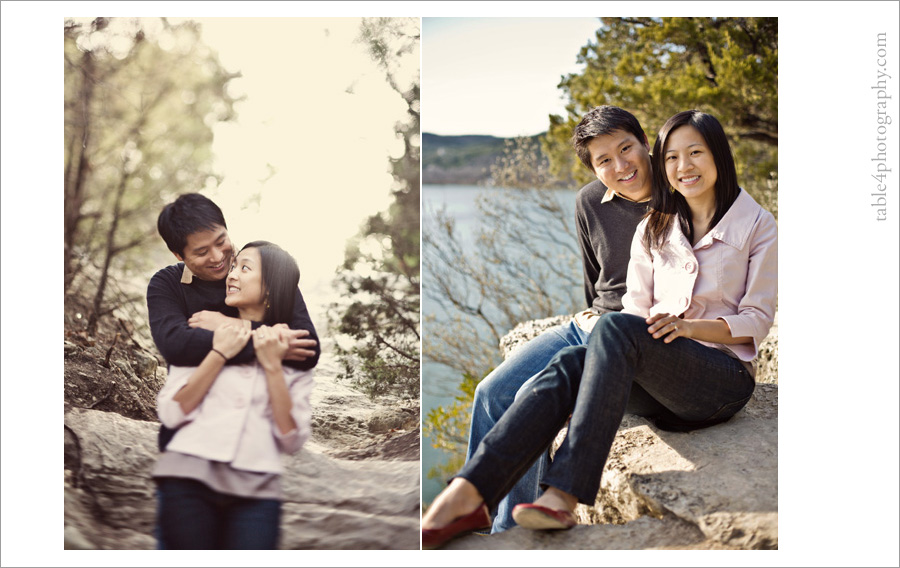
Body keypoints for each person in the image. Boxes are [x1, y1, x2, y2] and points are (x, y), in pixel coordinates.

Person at [422, 110, 777, 548]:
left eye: (695, 154)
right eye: (673, 158)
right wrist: (604, 366)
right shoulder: (656, 226)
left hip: (721, 380)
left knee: (611, 332)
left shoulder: (758, 224)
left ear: (718, 154)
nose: (684, 167)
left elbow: (757, 321)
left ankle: (562, 495)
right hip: (658, 375)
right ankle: (469, 492)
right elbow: (627, 305)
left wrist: (688, 328)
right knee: (573, 361)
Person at [463, 105, 654, 533]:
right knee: (490, 392)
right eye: (604, 160)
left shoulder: (679, 195)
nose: (621, 166)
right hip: (590, 322)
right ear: (592, 167)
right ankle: (477, 512)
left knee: (532, 395)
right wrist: (589, 317)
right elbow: (596, 277)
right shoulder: (590, 201)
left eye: (627, 149)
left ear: (647, 143)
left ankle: (511, 537)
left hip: (629, 338)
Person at [153, 241, 315, 549]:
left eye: (245, 268)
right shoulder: (201, 330)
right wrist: (219, 353)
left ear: (271, 288)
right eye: (233, 267)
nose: (231, 275)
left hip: (259, 488)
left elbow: (291, 440)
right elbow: (173, 413)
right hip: (187, 475)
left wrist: (272, 368)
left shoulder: (293, 351)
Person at [148, 193, 320, 448]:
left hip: (255, 437)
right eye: (202, 251)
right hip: (191, 433)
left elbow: (307, 348)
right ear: (179, 255)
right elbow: (175, 345)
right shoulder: (166, 284)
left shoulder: (265, 272)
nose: (218, 257)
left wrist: (229, 326)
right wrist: (268, 342)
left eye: (221, 241)